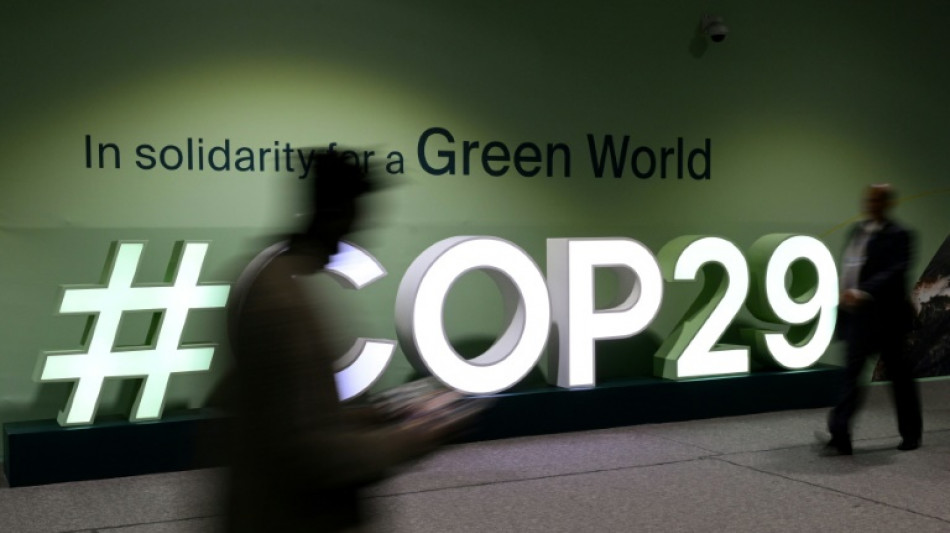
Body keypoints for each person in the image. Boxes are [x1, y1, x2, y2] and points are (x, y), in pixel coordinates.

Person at [223, 150, 455, 532]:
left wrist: (376, 415)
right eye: (352, 223)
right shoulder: (282, 303)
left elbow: (288, 416)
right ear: (334, 213)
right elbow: (315, 455)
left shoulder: (268, 281)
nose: (353, 239)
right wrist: (417, 437)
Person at [824, 183, 922, 455]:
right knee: (851, 375)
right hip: (858, 317)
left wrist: (863, 291)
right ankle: (840, 434)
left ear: (888, 203)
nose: (872, 204)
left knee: (899, 379)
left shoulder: (900, 235)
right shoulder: (857, 231)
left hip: (887, 319)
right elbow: (850, 266)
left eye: (878, 200)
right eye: (869, 199)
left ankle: (911, 434)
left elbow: (896, 271)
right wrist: (845, 294)